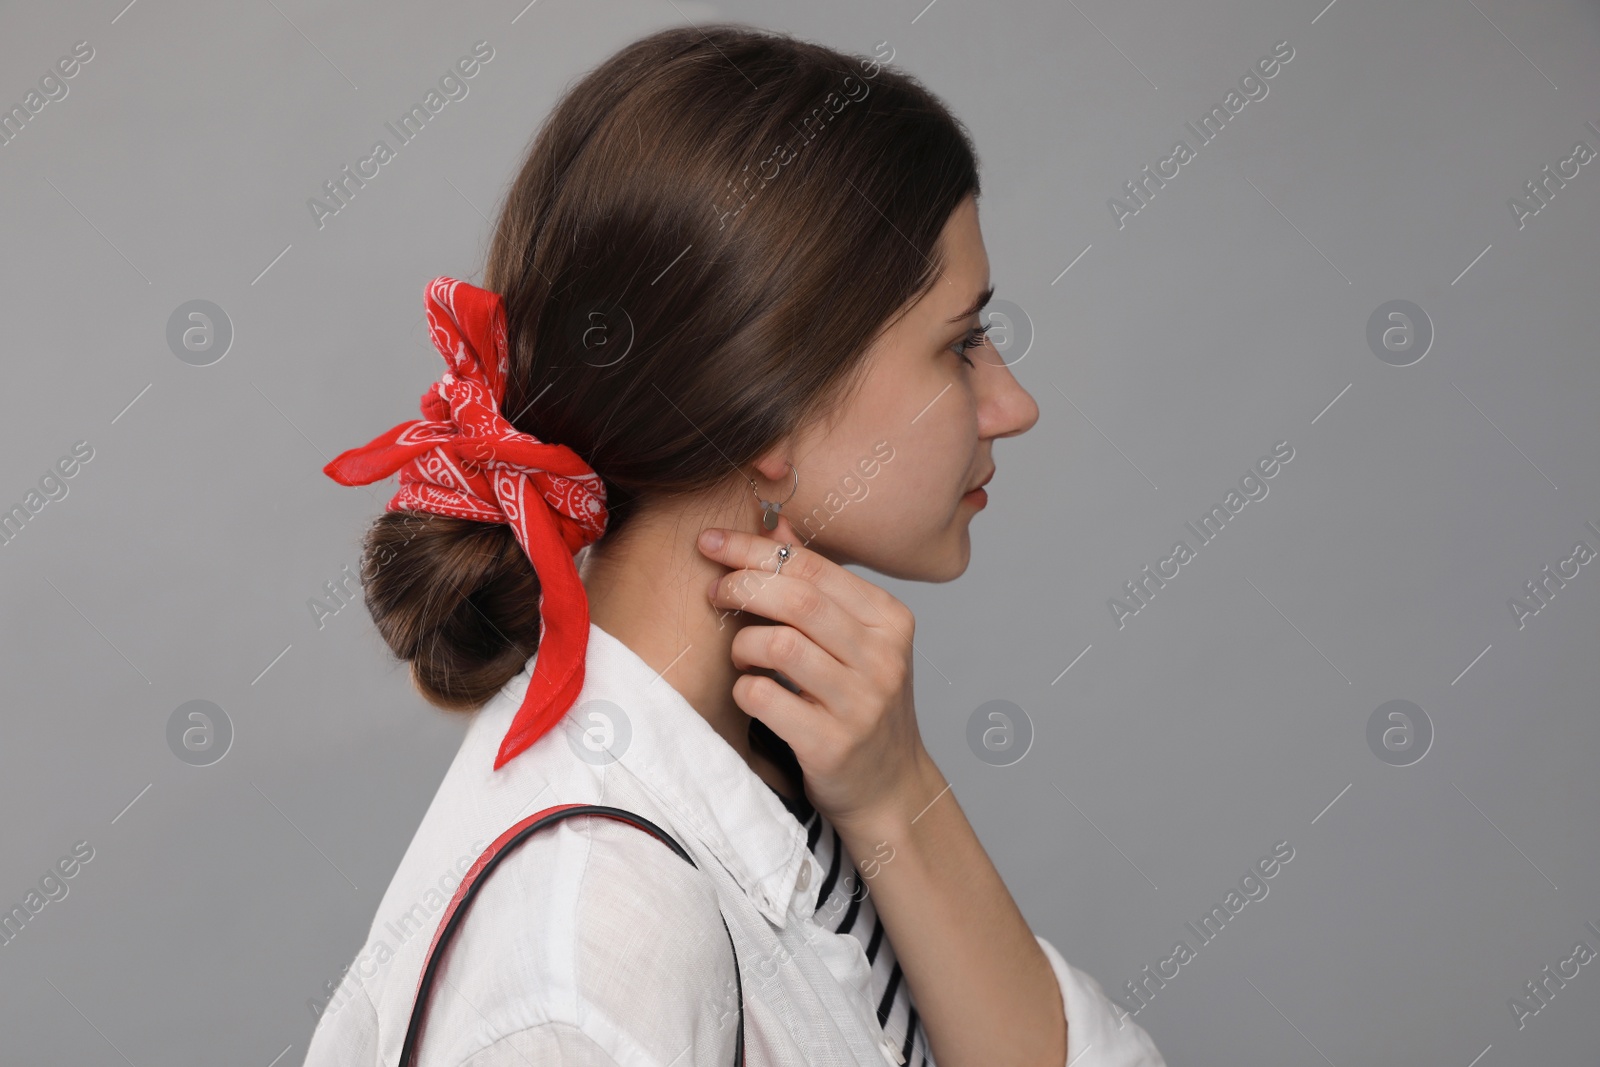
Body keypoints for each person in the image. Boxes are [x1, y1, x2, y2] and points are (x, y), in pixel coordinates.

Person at [303, 22, 1166, 1067]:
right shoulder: (588, 943)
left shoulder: (778, 760)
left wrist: (899, 793)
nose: (1011, 405)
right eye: (960, 343)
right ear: (769, 408)